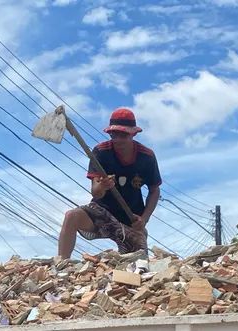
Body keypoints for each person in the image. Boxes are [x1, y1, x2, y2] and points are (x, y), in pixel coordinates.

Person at [56, 107, 161, 259]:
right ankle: (61, 264)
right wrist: (103, 187)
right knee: (71, 216)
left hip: (130, 218)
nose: (117, 139)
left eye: (123, 134)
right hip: (102, 212)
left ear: (133, 134)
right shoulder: (101, 152)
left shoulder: (147, 157)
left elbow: (154, 190)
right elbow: (95, 192)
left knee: (138, 262)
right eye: (114, 134)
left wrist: (144, 218)